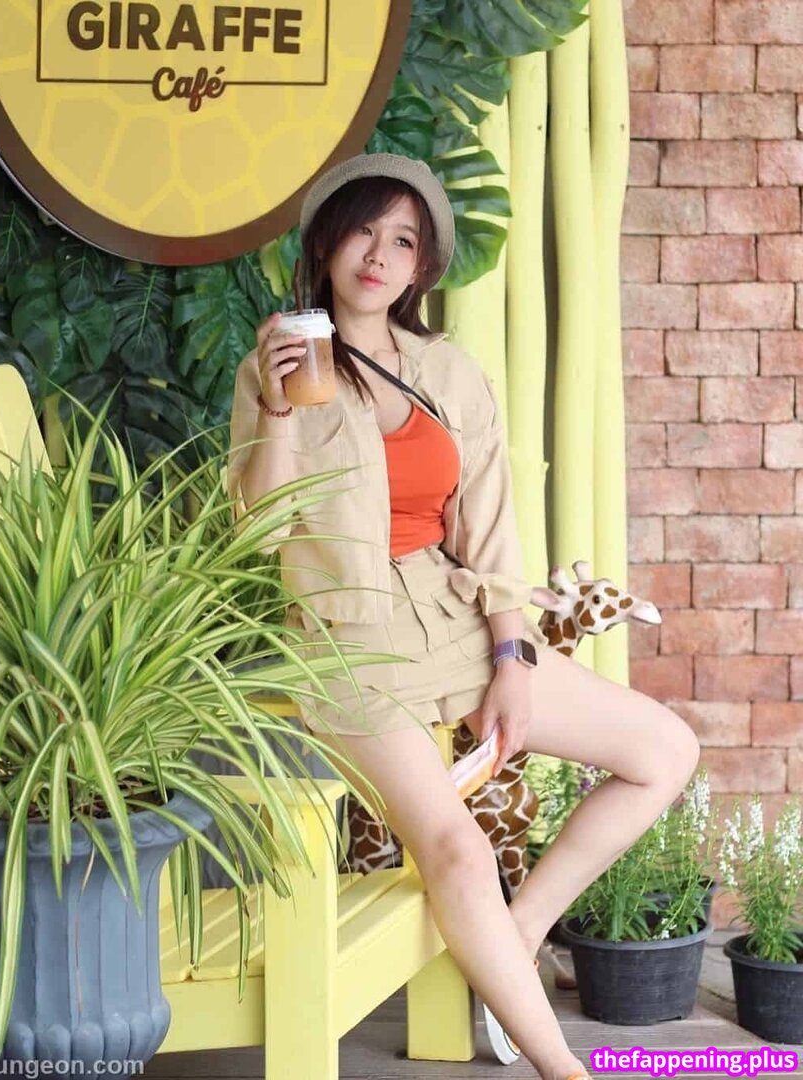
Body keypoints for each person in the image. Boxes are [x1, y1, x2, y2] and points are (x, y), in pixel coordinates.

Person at [224, 153, 700, 1080]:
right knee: (455, 846)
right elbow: (255, 530)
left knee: (663, 751)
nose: (379, 255)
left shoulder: (449, 372)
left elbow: (490, 530)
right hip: (347, 644)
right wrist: (277, 412)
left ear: (422, 268)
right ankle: (565, 1069)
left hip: (452, 618)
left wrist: (513, 659)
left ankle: (515, 937)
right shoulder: (274, 365)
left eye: (404, 241)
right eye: (364, 231)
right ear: (325, 243)